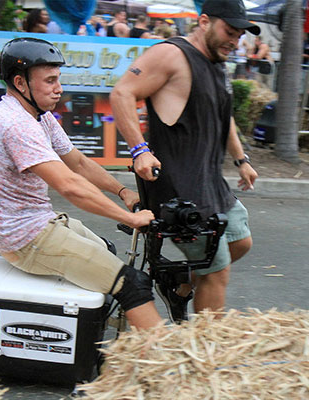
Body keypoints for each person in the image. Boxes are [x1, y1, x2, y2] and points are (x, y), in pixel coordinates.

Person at [0, 38, 162, 330]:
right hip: (23, 238)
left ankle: (89, 333)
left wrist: (124, 193)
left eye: (58, 79)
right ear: (21, 83)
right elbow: (69, 185)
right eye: (49, 81)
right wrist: (129, 218)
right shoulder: (15, 124)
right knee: (132, 283)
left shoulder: (39, 117)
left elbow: (78, 163)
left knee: (106, 250)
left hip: (35, 223)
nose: (58, 88)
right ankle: (166, 365)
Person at [110, 0, 259, 323]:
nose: (234, 41)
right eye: (229, 32)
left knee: (240, 241)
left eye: (239, 35)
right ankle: (206, 353)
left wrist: (241, 159)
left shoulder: (217, 61)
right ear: (204, 21)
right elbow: (121, 93)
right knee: (216, 271)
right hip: (178, 190)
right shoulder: (172, 55)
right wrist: (140, 151)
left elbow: (224, 116)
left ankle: (178, 285)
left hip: (209, 183)